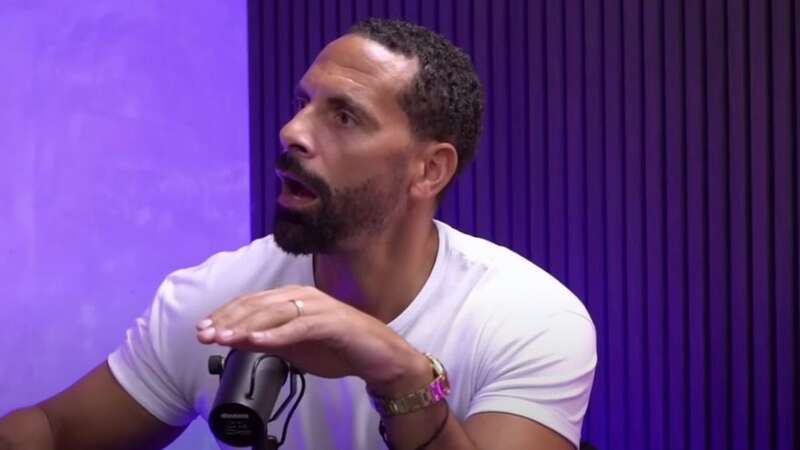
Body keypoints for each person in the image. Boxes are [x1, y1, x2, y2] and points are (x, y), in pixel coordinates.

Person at [0, 18, 595, 450]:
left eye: (343, 116)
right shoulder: (219, 299)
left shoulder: (529, 317)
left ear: (429, 169)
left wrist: (402, 375)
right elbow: (55, 431)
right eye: (301, 103)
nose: (292, 131)